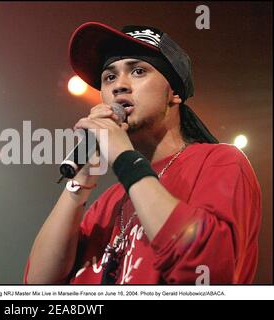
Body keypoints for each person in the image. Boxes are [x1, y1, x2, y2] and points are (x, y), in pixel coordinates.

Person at [24, 22, 261, 284]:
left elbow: (206, 269)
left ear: (174, 92)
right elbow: (38, 283)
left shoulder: (220, 162)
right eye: (109, 77)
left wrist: (125, 156)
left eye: (138, 71)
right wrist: (81, 179)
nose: (119, 86)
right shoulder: (109, 202)